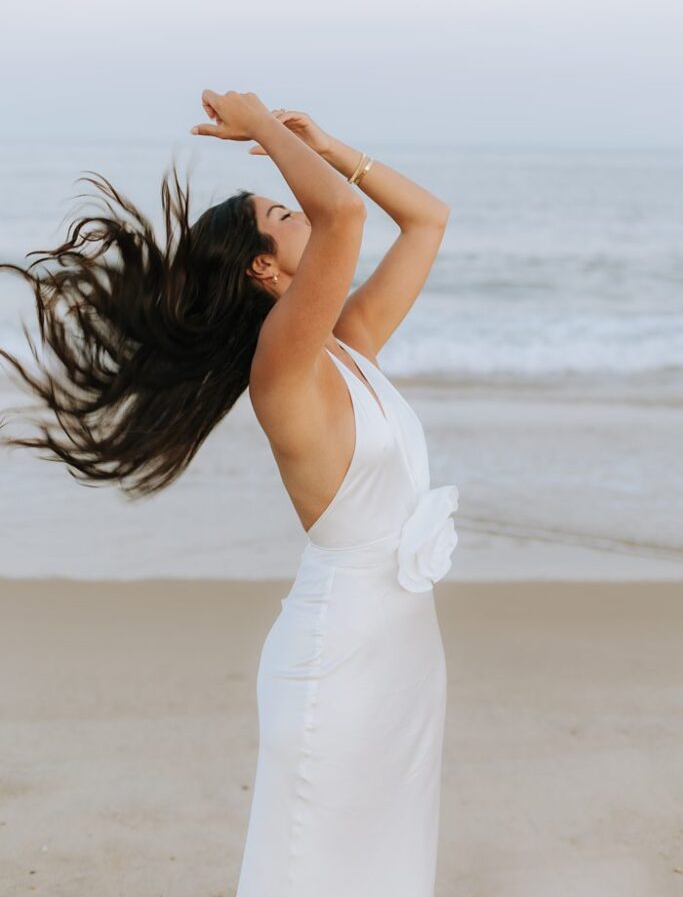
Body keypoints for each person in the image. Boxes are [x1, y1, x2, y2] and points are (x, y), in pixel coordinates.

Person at [0, 89, 459, 896]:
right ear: (262, 268)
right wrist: (260, 126)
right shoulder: (281, 367)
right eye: (283, 214)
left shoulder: (347, 346)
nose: (306, 210)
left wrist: (329, 143)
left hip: (404, 651)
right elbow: (345, 219)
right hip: (339, 654)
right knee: (312, 862)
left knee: (388, 853)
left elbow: (427, 220)